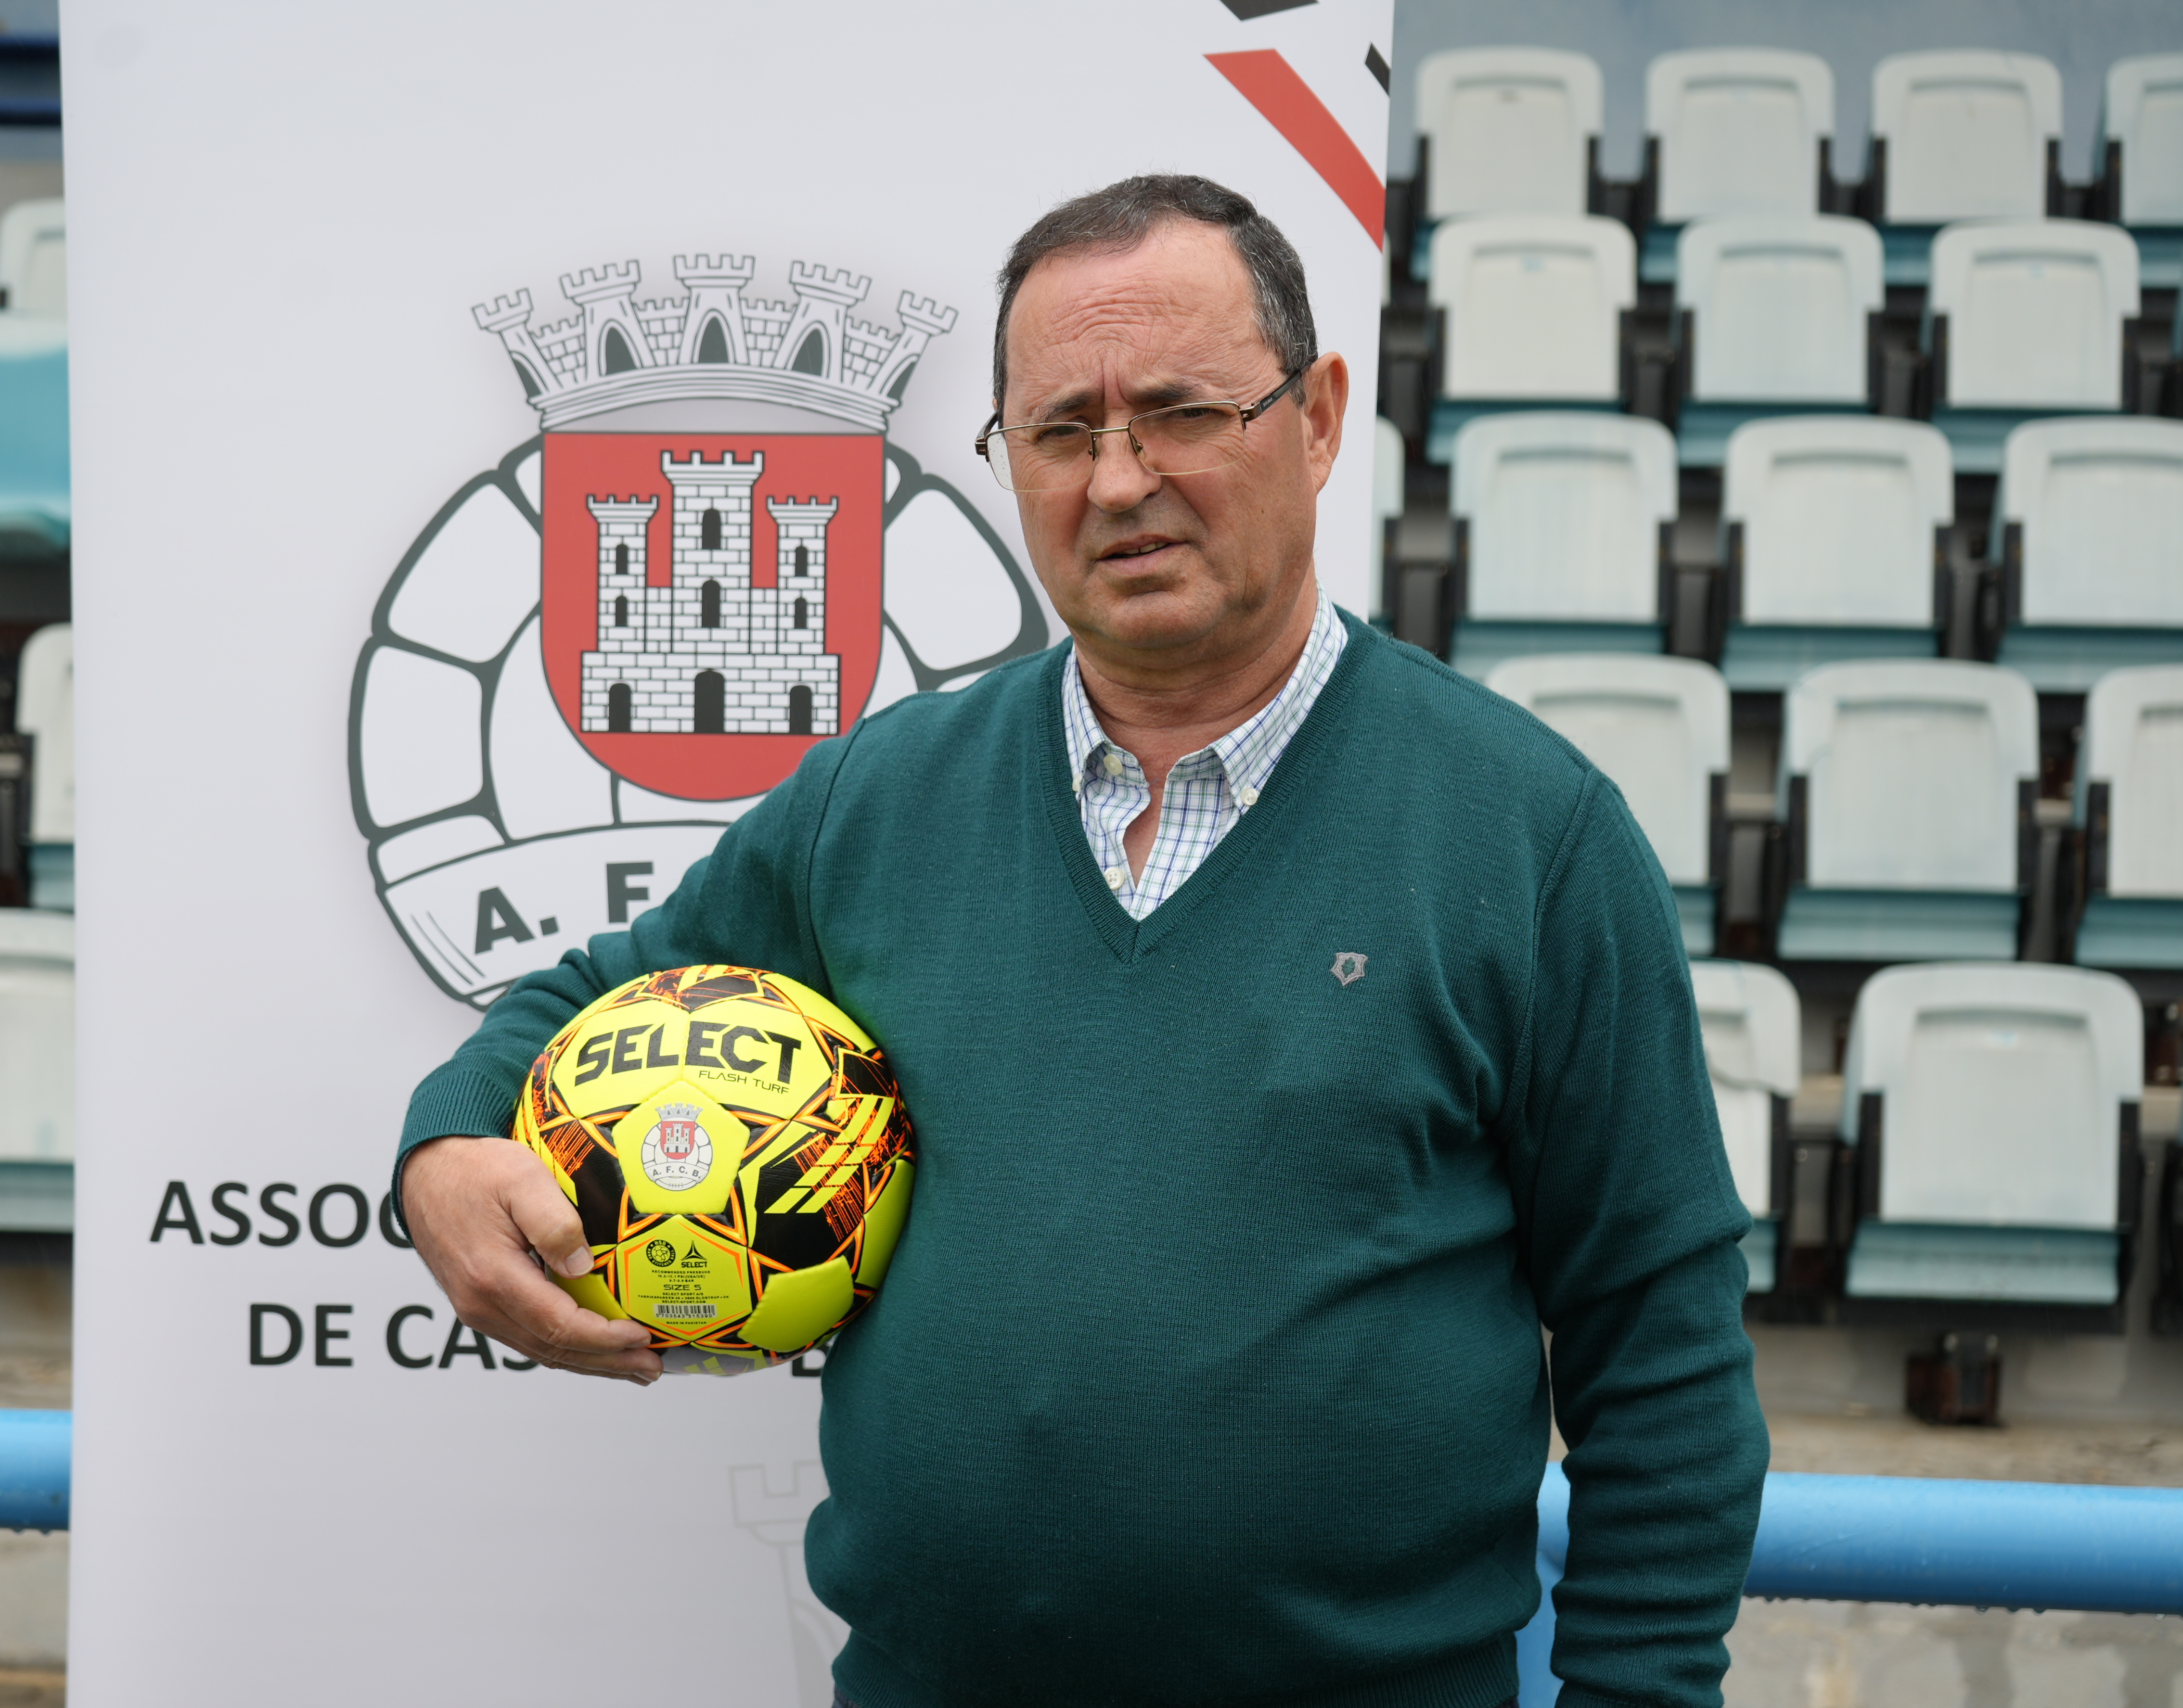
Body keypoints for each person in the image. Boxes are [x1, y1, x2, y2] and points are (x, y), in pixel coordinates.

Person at [396, 174, 1766, 1708]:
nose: (1119, 483)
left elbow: (1666, 1361)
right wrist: (448, 1141)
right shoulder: (884, 797)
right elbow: (601, 991)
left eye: (1182, 410)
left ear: (1316, 417)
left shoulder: (1529, 836)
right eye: (1061, 430)